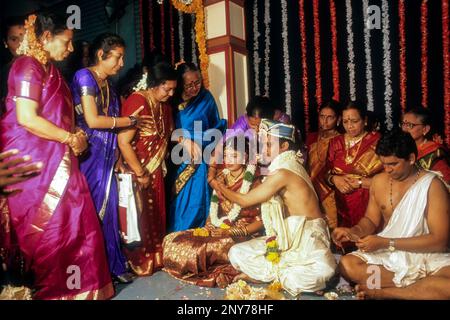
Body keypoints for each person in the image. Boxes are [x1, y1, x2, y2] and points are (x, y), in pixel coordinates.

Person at [0, 13, 114, 299]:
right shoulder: (27, 67)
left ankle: (76, 291)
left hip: (59, 160)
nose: (72, 49)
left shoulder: (48, 69)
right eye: (68, 41)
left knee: (75, 226)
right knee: (55, 230)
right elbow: (27, 118)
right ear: (47, 37)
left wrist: (77, 136)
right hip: (35, 164)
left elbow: (62, 118)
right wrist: (69, 138)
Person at [213, 119, 336, 296]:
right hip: (285, 235)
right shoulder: (287, 166)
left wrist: (219, 186)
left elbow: (245, 201)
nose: (264, 150)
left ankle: (276, 275)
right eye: (263, 145)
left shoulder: (284, 172)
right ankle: (283, 273)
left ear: (285, 146)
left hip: (307, 237)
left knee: (323, 272)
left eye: (269, 145)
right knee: (236, 252)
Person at [334, 131, 450, 300]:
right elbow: (370, 220)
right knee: (348, 265)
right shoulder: (379, 181)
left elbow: (439, 242)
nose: (387, 170)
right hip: (391, 258)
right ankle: (421, 288)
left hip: (428, 256)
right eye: (384, 164)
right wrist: (354, 231)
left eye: (393, 164)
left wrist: (386, 242)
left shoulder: (432, 185)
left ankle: (382, 292)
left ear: (411, 158)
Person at [70, 33, 147, 283]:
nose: (122, 63)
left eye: (123, 57)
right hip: (89, 154)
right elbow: (92, 120)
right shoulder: (85, 77)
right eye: (118, 57)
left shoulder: (110, 87)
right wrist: (130, 121)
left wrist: (117, 157)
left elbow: (110, 127)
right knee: (91, 211)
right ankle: (91, 270)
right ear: (101, 55)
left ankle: (113, 264)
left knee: (111, 210)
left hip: (107, 155)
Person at [163, 135, 263, 288]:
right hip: (219, 227)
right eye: (226, 155)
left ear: (245, 157)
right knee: (173, 239)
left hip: (242, 233)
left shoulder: (256, 182)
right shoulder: (221, 177)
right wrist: (209, 226)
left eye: (234, 155)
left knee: (202, 250)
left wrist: (232, 232)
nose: (229, 160)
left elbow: (262, 222)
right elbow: (214, 210)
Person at [118, 61, 177, 276]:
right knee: (140, 219)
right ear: (153, 84)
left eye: (173, 89)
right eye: (166, 88)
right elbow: (123, 142)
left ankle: (157, 257)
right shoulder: (137, 101)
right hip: (137, 171)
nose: (170, 93)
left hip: (156, 172)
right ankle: (140, 261)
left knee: (157, 215)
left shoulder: (165, 107)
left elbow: (165, 137)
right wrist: (141, 173)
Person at [168, 62, 226, 232]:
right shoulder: (170, 102)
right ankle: (177, 238)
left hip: (202, 160)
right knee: (179, 206)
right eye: (189, 85)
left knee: (198, 201)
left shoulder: (206, 98)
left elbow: (216, 129)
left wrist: (202, 143)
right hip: (177, 160)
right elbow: (165, 132)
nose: (195, 88)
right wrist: (184, 140)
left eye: (198, 82)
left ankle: (198, 238)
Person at [326, 101, 383, 231]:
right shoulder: (335, 142)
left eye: (354, 121)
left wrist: (360, 182)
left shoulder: (377, 142)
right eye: (345, 122)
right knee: (344, 238)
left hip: (369, 202)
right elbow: (326, 173)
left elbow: (389, 179)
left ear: (365, 120)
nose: (349, 126)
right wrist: (335, 179)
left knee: (366, 241)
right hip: (341, 204)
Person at [306, 100, 341, 229]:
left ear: (338, 119)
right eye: (322, 116)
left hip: (330, 190)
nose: (324, 121)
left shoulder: (340, 140)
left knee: (331, 226)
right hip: (310, 188)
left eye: (329, 117)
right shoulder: (312, 137)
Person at [400, 106, 450, 183]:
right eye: (403, 124)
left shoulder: (434, 153)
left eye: (410, 125)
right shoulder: (400, 148)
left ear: (425, 129)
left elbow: (446, 184)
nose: (404, 129)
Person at [1, 16, 25, 116]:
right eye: (14, 39)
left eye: (25, 38)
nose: (21, 44)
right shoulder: (4, 74)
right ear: (5, 43)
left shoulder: (46, 66)